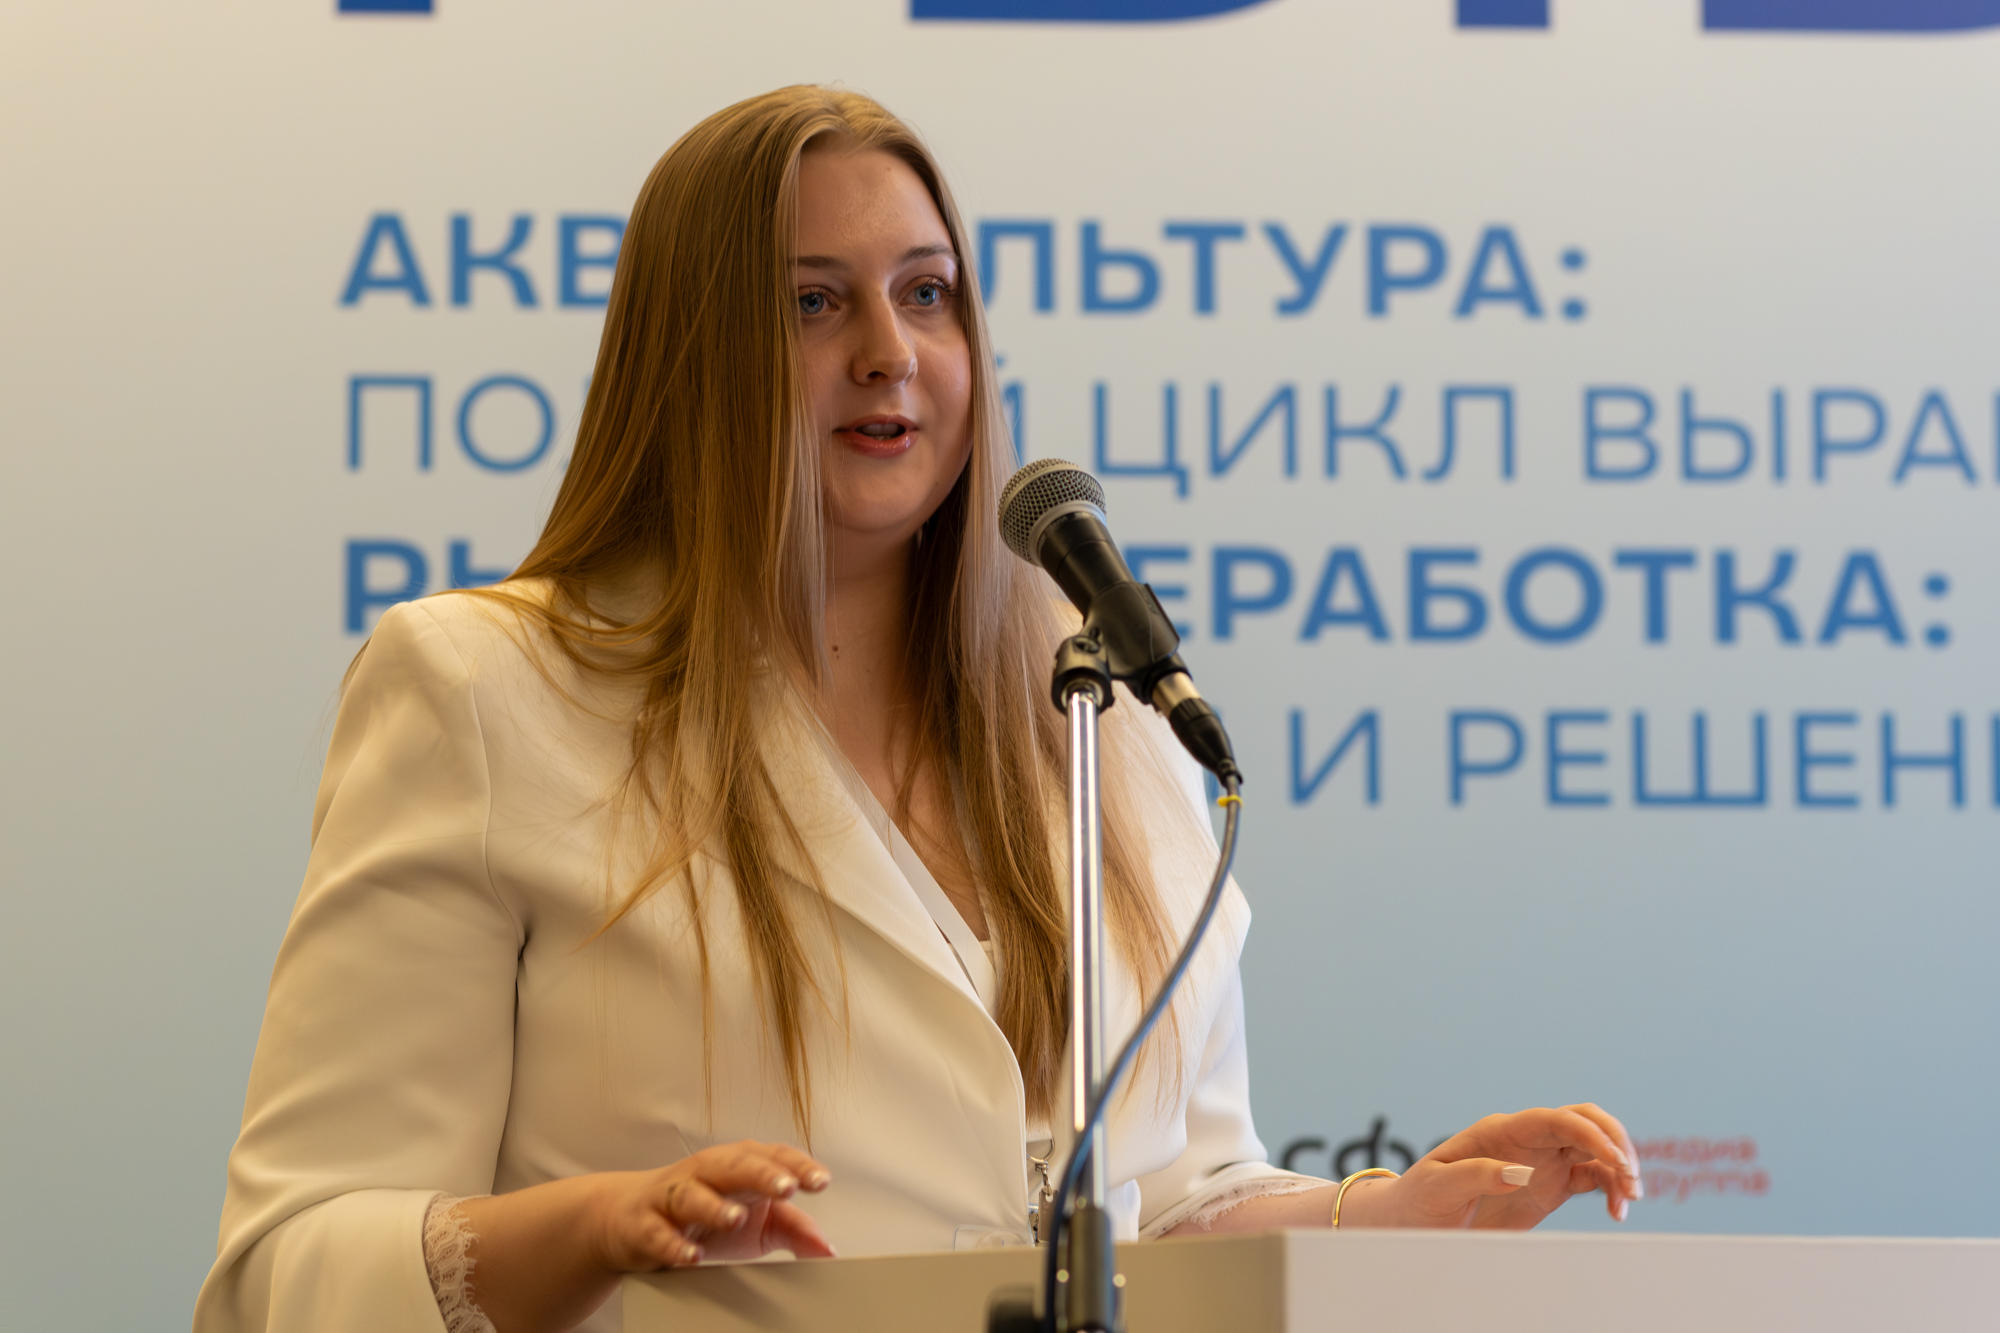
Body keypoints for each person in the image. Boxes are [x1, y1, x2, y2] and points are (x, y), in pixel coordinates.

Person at [194, 86, 1641, 1333]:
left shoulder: (1102, 698)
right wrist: (590, 1230)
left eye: (928, 292)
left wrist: (1379, 1217)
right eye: (814, 302)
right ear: (691, 354)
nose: (890, 349)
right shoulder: (485, 687)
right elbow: (288, 1265)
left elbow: (1164, 1197)